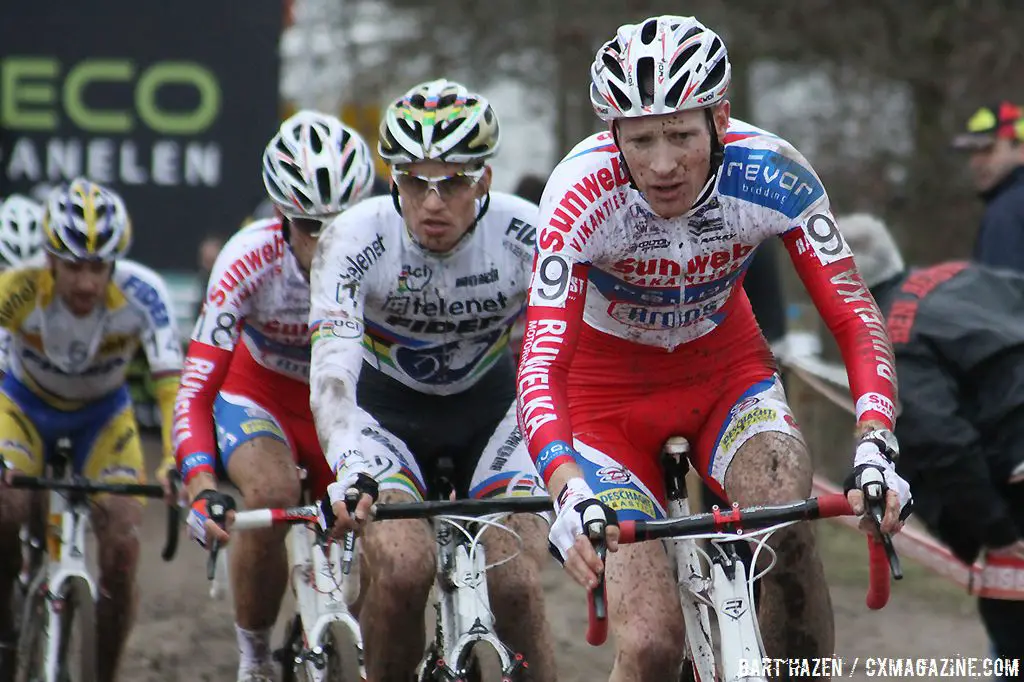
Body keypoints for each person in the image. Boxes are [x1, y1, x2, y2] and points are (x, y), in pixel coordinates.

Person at [515, 15, 912, 679]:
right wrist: (565, 486)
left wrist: (876, 441)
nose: (663, 163)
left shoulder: (773, 173)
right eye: (641, 140)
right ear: (611, 133)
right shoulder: (578, 193)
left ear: (721, 120)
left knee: (785, 517)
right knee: (650, 644)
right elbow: (539, 361)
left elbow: (854, 317)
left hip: (726, 376)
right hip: (603, 402)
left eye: (681, 134)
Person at [309, 78, 556, 682]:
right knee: (400, 570)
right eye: (414, 181)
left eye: (453, 183)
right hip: (386, 416)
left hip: (493, 412)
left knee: (516, 581)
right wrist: (349, 466)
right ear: (393, 178)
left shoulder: (531, 234)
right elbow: (333, 374)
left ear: (485, 181)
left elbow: (562, 360)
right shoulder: (352, 237)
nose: (432, 202)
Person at [173, 110, 376, 682]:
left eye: (341, 224)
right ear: (282, 214)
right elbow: (193, 389)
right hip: (259, 392)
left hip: (341, 401)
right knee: (272, 491)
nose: (326, 242)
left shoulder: (385, 251)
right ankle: (254, 659)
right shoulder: (248, 257)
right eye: (310, 227)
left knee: (389, 527)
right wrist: (201, 484)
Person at [0, 178, 183, 682]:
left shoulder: (145, 293)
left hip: (102, 417)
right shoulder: (16, 288)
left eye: (98, 267)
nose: (86, 283)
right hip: (22, 406)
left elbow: (172, 389)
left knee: (123, 546)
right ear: (50, 260)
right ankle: (6, 626)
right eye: (73, 267)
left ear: (115, 263)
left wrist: (176, 457)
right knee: (6, 507)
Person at [839, 212, 1024, 667]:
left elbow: (941, 441)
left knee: (1013, 636)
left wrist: (996, 533)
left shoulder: (888, 337)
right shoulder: (967, 275)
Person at [952, 101, 1024, 271]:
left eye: (987, 149)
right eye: (972, 151)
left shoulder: (1007, 211)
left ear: (1022, 149)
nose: (975, 162)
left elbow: (1000, 292)